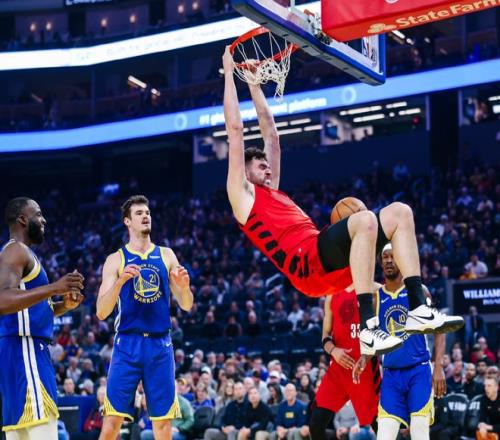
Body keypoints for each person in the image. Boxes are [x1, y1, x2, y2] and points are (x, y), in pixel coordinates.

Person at [221, 47, 462, 356]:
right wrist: (230, 73)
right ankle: (369, 329)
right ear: (245, 172)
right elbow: (236, 130)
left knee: (401, 213)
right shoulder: (242, 196)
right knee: (365, 219)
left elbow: (272, 136)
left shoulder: (273, 190)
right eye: (260, 166)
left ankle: (418, 308)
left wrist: (254, 84)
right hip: (307, 265)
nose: (268, 168)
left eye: (267, 165)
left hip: (325, 261)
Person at [96, 195, 194, 440]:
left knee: (163, 425)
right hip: (127, 344)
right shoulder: (115, 259)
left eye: (147, 212)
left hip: (160, 345)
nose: (145, 216)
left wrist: (184, 288)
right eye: (139, 213)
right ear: (127, 221)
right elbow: (101, 311)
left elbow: (186, 305)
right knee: (111, 424)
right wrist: (120, 281)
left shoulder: (166, 255)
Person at [0, 197, 85, 438]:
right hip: (26, 351)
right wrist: (54, 288)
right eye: (38, 214)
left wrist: (62, 306)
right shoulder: (16, 250)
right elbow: (3, 300)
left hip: (17, 352)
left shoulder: (21, 254)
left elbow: (27, 310)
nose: (43, 219)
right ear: (22, 219)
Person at [354, 243, 447, 440]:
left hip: (419, 370)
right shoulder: (376, 298)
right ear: (381, 263)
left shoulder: (418, 291)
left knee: (419, 431)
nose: (389, 261)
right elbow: (372, 337)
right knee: (384, 434)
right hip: (391, 374)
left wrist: (438, 367)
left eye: (393, 256)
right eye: (385, 257)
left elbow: (440, 329)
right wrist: (364, 357)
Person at [309, 286, 380, 440]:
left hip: (364, 369)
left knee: (382, 427)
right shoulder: (331, 294)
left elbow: (384, 332)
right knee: (316, 423)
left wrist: (368, 355)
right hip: (338, 370)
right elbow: (325, 336)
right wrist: (333, 350)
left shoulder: (375, 289)